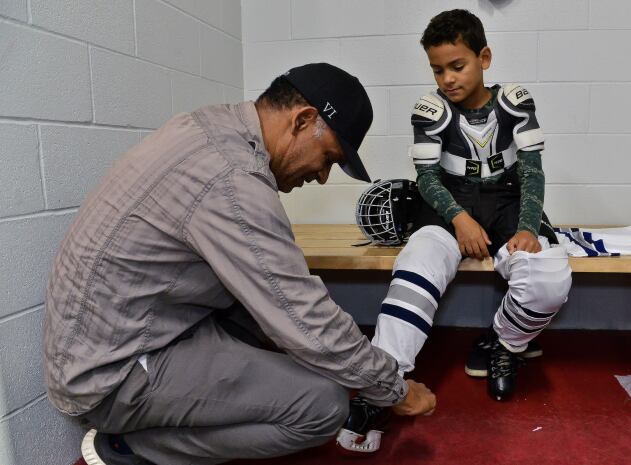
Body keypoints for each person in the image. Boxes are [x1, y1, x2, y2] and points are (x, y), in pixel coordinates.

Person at [42, 62, 436, 465]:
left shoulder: (208, 128)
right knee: (323, 405)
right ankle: (132, 449)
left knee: (277, 322)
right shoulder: (232, 180)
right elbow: (304, 316)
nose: (321, 176)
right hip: (109, 376)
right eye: (329, 158)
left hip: (127, 333)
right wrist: (393, 388)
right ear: (302, 120)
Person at [337, 8, 572, 452]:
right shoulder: (430, 111)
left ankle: (503, 343)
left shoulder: (515, 102)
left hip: (507, 200)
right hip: (448, 202)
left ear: (484, 57)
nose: (446, 78)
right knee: (415, 269)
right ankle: (383, 385)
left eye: (457, 65)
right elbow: (427, 177)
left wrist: (526, 226)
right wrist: (459, 217)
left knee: (549, 276)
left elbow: (533, 172)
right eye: (437, 68)